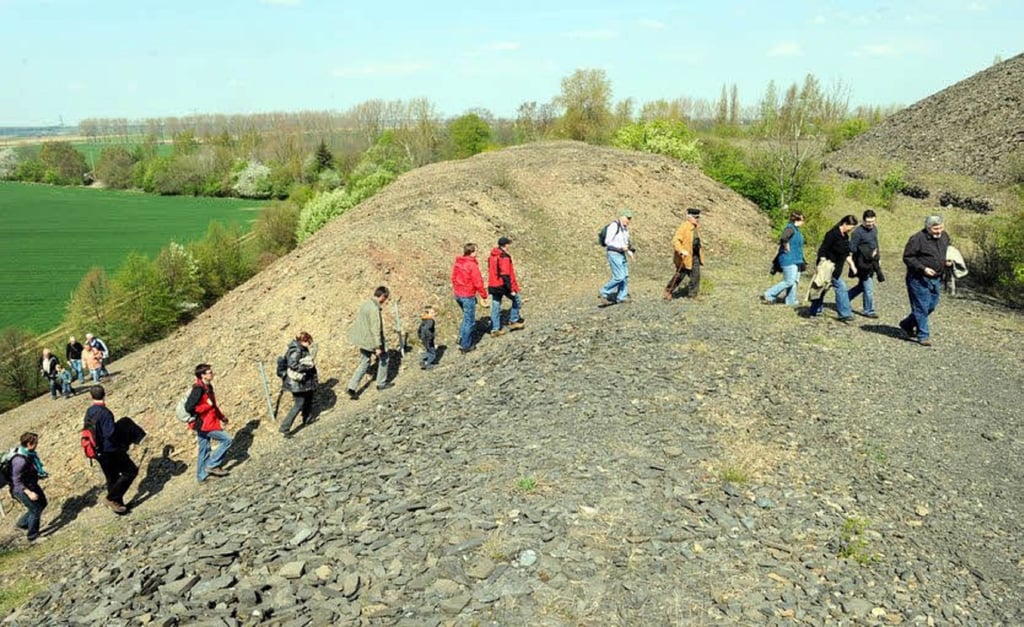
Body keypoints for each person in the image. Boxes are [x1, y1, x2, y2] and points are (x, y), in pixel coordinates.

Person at [899, 215, 952, 347]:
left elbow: (949, 249)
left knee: (931, 305)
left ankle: (907, 323)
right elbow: (908, 258)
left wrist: (948, 260)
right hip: (918, 278)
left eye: (940, 227)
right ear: (928, 228)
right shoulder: (917, 239)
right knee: (921, 307)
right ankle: (923, 335)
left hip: (936, 278)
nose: (939, 231)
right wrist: (923, 268)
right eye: (935, 229)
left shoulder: (945, 236)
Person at [85, 385, 138, 514]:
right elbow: (109, 433)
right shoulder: (105, 413)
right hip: (110, 450)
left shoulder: (89, 411)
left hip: (96, 450)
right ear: (104, 394)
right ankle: (111, 498)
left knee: (112, 477)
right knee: (130, 471)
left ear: (91, 396)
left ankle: (118, 506)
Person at [184, 364, 233, 482]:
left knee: (204, 449)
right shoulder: (198, 389)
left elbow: (214, 406)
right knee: (227, 440)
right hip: (204, 424)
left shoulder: (208, 386)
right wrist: (207, 406)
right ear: (202, 375)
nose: (213, 374)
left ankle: (202, 477)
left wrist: (222, 417)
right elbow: (189, 407)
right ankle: (211, 465)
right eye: (210, 372)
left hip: (208, 422)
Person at [807, 215, 859, 321]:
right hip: (828, 267)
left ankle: (815, 310)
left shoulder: (845, 236)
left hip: (837, 268)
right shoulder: (832, 234)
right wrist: (821, 264)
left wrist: (852, 265)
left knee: (822, 289)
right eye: (851, 227)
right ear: (844, 224)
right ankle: (844, 313)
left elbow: (845, 253)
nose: (851, 229)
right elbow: (823, 249)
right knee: (840, 287)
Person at [346, 286, 392, 399]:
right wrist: (378, 346)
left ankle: (351, 387)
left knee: (364, 362)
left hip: (362, 340)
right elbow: (376, 329)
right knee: (384, 358)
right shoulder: (374, 309)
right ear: (382, 296)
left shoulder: (366, 304)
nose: (385, 301)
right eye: (385, 298)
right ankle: (381, 383)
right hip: (371, 341)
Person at [8, 432, 48, 544]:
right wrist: (29, 493)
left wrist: (39, 474)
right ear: (29, 444)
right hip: (21, 489)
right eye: (35, 442)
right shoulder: (19, 460)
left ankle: (22, 524)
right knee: (35, 509)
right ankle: (33, 536)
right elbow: (16, 481)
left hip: (31, 484)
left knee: (43, 503)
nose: (37, 444)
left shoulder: (29, 454)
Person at [278, 332, 318, 438]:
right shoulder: (296, 350)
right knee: (299, 403)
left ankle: (307, 419)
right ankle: (285, 427)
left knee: (308, 398)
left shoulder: (300, 348)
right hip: (297, 383)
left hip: (303, 382)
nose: (309, 344)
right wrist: (307, 366)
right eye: (308, 341)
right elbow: (293, 365)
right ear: (303, 340)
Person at [762, 211, 806, 306]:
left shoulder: (796, 230)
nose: (803, 222)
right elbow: (783, 238)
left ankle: (790, 300)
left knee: (794, 281)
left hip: (797, 259)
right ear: (797, 220)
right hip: (788, 259)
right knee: (789, 281)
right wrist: (786, 246)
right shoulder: (790, 228)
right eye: (802, 219)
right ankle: (769, 294)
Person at [847, 209, 884, 318]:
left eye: (872, 221)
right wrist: (852, 265)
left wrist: (879, 258)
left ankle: (844, 298)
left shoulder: (874, 229)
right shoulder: (857, 233)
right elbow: (852, 248)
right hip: (861, 264)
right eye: (868, 222)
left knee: (862, 286)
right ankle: (869, 310)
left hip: (872, 262)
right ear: (863, 221)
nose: (870, 224)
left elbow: (876, 244)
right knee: (868, 287)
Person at [451, 244, 488, 352]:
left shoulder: (458, 262)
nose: (478, 252)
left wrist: (457, 288)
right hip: (467, 295)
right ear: (472, 252)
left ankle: (461, 338)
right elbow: (478, 282)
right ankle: (465, 345)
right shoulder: (472, 265)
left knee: (466, 317)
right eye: (476, 250)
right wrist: (484, 295)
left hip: (458, 294)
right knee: (470, 321)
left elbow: (453, 277)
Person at [664, 207, 705, 300]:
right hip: (685, 256)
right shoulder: (684, 227)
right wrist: (681, 250)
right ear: (689, 217)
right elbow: (675, 240)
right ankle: (668, 290)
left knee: (696, 275)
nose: (698, 219)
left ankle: (693, 294)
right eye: (696, 217)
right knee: (679, 275)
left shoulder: (696, 227)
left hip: (694, 255)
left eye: (698, 217)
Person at [487, 236, 525, 336]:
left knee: (495, 305)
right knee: (517, 299)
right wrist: (511, 289)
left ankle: (495, 329)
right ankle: (514, 320)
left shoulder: (492, 256)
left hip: (493, 284)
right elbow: (505, 274)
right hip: (502, 285)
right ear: (506, 245)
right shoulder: (503, 256)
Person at [599, 210, 635, 306]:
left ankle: (621, 297)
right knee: (619, 276)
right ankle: (604, 291)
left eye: (630, 218)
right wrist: (620, 247)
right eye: (627, 218)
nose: (629, 220)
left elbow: (625, 243)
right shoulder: (614, 226)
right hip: (614, 253)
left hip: (621, 254)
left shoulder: (625, 229)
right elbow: (608, 241)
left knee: (625, 276)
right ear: (621, 216)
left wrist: (629, 252)